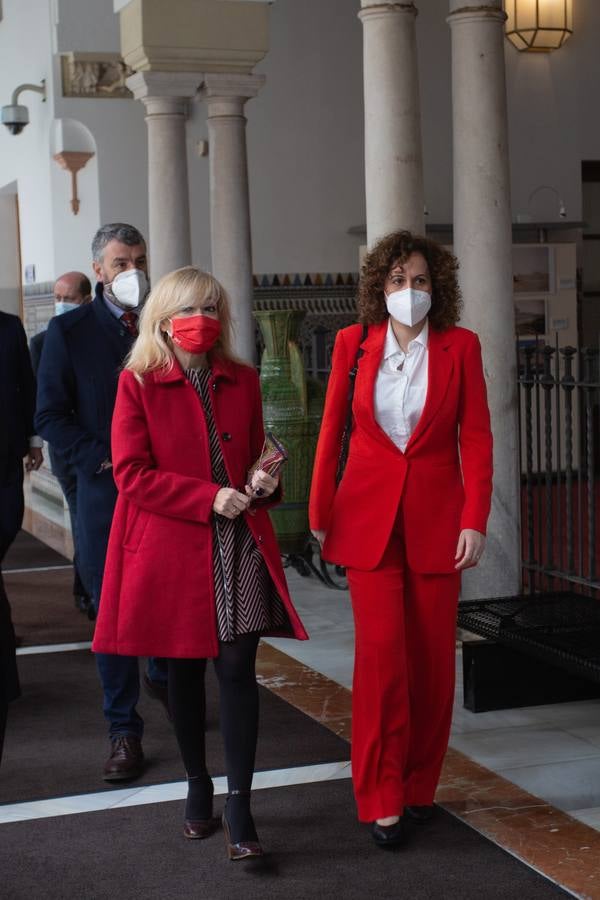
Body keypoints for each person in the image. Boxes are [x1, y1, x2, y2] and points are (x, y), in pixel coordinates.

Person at [92, 266, 307, 860]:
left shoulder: (242, 377)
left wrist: (264, 479)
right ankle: (196, 781)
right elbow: (132, 475)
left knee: (237, 669)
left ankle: (240, 801)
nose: (204, 319)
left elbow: (261, 450)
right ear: (163, 317)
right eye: (192, 308)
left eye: (214, 308)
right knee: (182, 670)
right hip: (174, 544)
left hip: (238, 540)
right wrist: (207, 496)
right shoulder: (137, 381)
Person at [309, 231, 493, 848]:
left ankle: (419, 786)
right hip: (366, 520)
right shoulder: (352, 344)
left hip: (439, 522)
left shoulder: (461, 346)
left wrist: (474, 518)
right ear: (377, 288)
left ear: (435, 289)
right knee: (383, 661)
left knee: (434, 666)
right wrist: (318, 507)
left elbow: (477, 438)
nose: (407, 291)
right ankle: (382, 794)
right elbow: (332, 426)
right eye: (395, 281)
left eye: (418, 281)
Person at [35, 223, 168, 781]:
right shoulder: (68, 333)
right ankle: (123, 730)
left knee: (162, 597)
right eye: (120, 262)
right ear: (99, 271)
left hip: (164, 495)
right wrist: (107, 457)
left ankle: (170, 686)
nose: (132, 270)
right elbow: (49, 418)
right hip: (105, 493)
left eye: (139, 259)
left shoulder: (164, 325)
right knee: (111, 610)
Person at [30, 271, 93, 617]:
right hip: (66, 450)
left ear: (85, 299)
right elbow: (40, 403)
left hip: (96, 447)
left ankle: (86, 587)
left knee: (89, 521)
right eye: (57, 296)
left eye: (66, 296)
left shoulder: (97, 340)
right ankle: (88, 589)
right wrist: (35, 442)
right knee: (81, 519)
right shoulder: (41, 344)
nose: (60, 303)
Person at [0, 311, 43, 763]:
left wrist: (33, 439)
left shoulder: (9, 327)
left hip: (5, 456)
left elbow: (25, 386)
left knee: (8, 523)